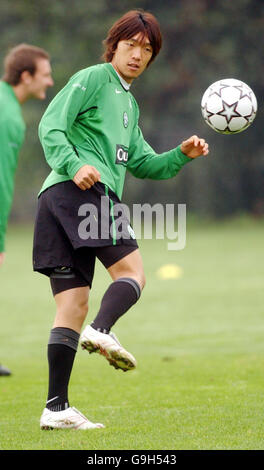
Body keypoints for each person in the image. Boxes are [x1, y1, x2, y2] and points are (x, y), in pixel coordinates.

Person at [33, 10, 209, 430]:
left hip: (55, 200)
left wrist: (180, 154)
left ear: (152, 58)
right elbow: (50, 126)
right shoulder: (94, 78)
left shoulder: (128, 102)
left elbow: (144, 163)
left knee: (71, 305)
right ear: (114, 45)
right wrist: (74, 165)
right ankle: (102, 330)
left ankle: (55, 409)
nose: (137, 54)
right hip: (78, 191)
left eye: (147, 49)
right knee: (133, 274)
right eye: (130, 44)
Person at [0, 44, 54, 376]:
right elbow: (1, 181)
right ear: (26, 76)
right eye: (45, 75)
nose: (49, 82)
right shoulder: (8, 117)